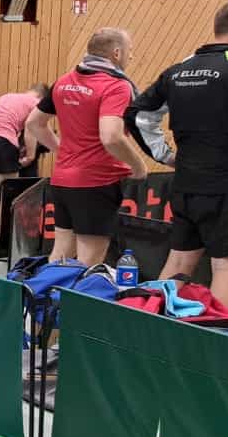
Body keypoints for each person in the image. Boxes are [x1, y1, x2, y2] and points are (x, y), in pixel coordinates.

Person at [131, 3, 228, 303]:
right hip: (224, 185)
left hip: (186, 184)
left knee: (178, 262)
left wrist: (166, 156)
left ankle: (151, 324)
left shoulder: (179, 70)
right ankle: (219, 333)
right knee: (225, 265)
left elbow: (138, 114)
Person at [26, 28, 149, 266]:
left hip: (63, 180)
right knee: (88, 262)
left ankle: (43, 292)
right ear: (116, 53)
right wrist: (138, 165)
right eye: (130, 51)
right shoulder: (116, 86)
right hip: (96, 182)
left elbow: (34, 123)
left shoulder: (64, 81)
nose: (131, 56)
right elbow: (111, 136)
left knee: (60, 256)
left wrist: (62, 151)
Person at [0, 85, 47, 250]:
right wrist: (30, 156)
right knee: (11, 197)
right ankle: (7, 242)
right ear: (42, 97)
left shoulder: (6, 96)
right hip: (2, 143)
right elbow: (31, 129)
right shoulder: (36, 103)